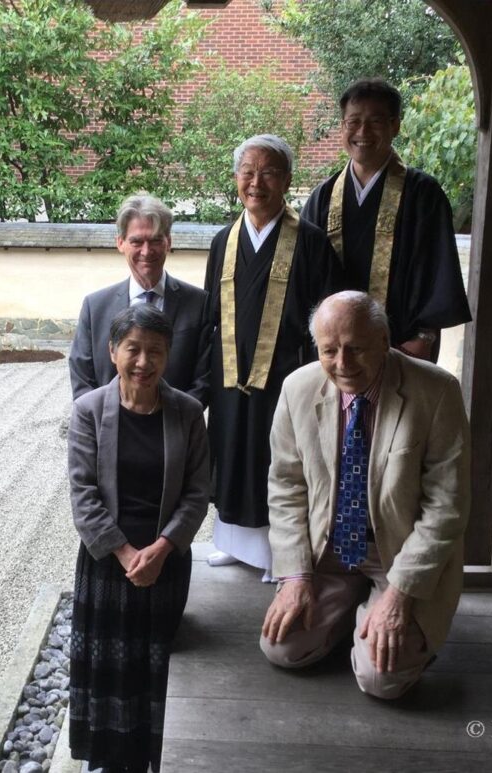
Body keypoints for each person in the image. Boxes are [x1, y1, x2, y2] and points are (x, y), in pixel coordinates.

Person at [261, 291, 469, 699]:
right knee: (282, 648)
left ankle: (379, 610)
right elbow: (285, 487)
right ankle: (352, 607)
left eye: (356, 348)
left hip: (397, 554)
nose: (343, 363)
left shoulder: (437, 391)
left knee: (382, 681)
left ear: (384, 342)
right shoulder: (297, 389)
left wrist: (400, 594)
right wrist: (296, 576)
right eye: (329, 350)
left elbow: (446, 507)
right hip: (330, 549)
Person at [67, 304, 210, 772]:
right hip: (108, 564)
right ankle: (110, 758)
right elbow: (83, 494)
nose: (144, 362)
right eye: (133, 349)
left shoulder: (188, 413)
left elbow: (197, 492)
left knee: (156, 666)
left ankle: (155, 755)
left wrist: (163, 548)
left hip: (165, 562)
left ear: (168, 355)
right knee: (109, 669)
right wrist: (126, 553)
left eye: (156, 351)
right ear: (113, 351)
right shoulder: (89, 411)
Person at [203, 134, 344, 580]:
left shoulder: (311, 242)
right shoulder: (223, 241)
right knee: (230, 452)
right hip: (229, 373)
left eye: (268, 173)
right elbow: (211, 314)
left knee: (280, 459)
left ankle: (278, 553)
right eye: (247, 172)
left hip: (286, 373)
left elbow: (325, 317)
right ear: (235, 179)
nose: (256, 183)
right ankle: (230, 542)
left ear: (286, 180)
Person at [301, 78, 471, 362]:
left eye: (375, 121)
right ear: (342, 127)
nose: (362, 132)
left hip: (403, 345)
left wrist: (424, 337)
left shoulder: (423, 194)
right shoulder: (323, 196)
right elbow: (306, 273)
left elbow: (437, 271)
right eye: (353, 122)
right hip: (335, 351)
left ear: (395, 126)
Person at [69, 194, 211, 406]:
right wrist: (105, 419)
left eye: (155, 240)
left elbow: (204, 380)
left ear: (168, 242)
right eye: (136, 241)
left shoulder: (198, 304)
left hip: (176, 424)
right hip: (108, 424)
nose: (146, 251)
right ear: (120, 243)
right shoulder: (95, 307)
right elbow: (83, 380)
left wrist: (176, 419)